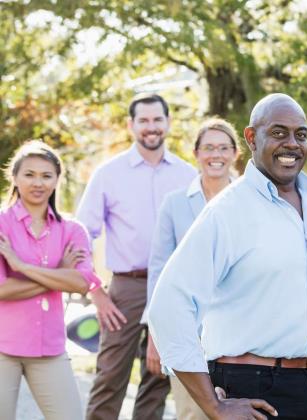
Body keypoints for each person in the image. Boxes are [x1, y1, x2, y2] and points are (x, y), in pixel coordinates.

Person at [148, 93, 307, 420]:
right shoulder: (226, 212)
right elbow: (168, 304)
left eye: (301, 134)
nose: (292, 144)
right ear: (250, 138)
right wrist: (212, 405)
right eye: (278, 133)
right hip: (251, 390)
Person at [77, 93, 197, 419]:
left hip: (172, 288)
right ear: (131, 125)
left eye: (157, 119)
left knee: (157, 377)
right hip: (126, 289)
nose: (151, 127)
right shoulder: (109, 173)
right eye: (143, 120)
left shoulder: (188, 176)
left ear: (168, 123)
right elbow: (81, 236)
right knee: (110, 376)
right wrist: (94, 291)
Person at [141, 118, 240, 420]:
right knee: (191, 415)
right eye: (209, 147)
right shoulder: (174, 204)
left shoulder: (249, 202)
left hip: (240, 335)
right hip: (187, 334)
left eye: (224, 148)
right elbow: (159, 270)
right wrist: (155, 336)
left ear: (236, 154)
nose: (216, 155)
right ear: (196, 153)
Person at [0, 141, 102, 419]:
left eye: (46, 175)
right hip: (2, 347)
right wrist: (59, 274)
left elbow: (82, 283)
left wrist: (20, 266)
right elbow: (2, 289)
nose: (38, 182)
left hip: (49, 348)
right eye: (29, 174)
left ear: (57, 179)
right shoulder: (1, 224)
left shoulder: (72, 230)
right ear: (15, 177)